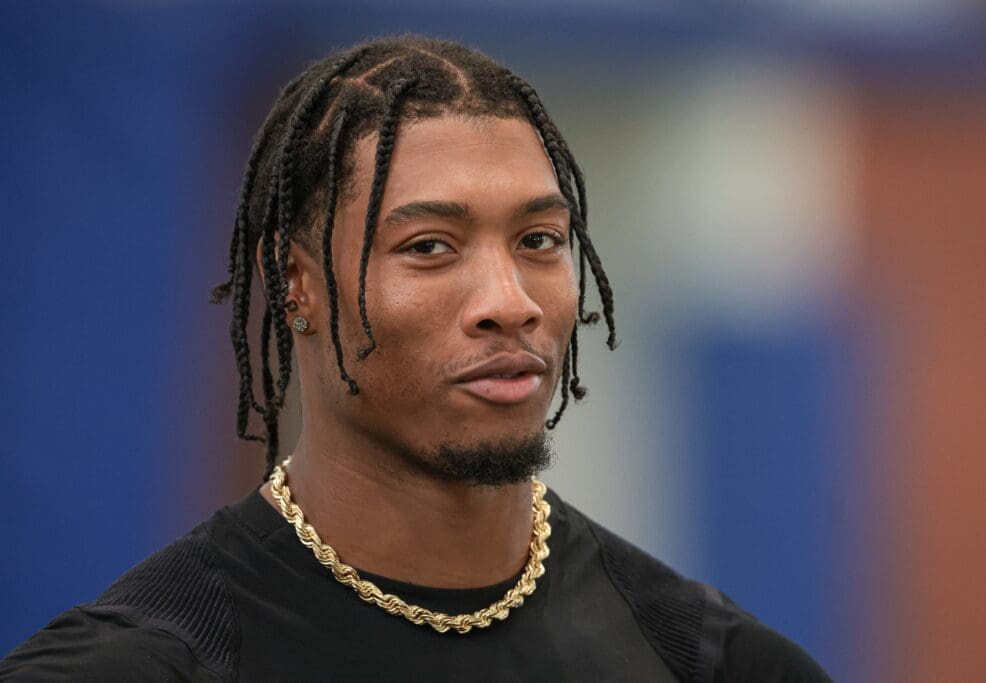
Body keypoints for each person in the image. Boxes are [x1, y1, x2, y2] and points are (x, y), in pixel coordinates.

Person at [0, 36, 832, 682]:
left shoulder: (713, 663)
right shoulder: (147, 661)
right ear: (296, 284)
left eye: (540, 240)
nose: (510, 300)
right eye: (430, 246)